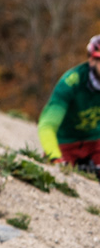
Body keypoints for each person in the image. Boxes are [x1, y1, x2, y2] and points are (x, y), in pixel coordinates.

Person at [37, 34, 100, 176]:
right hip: (66, 142)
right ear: (92, 60)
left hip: (96, 143)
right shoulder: (70, 83)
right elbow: (47, 126)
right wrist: (55, 157)